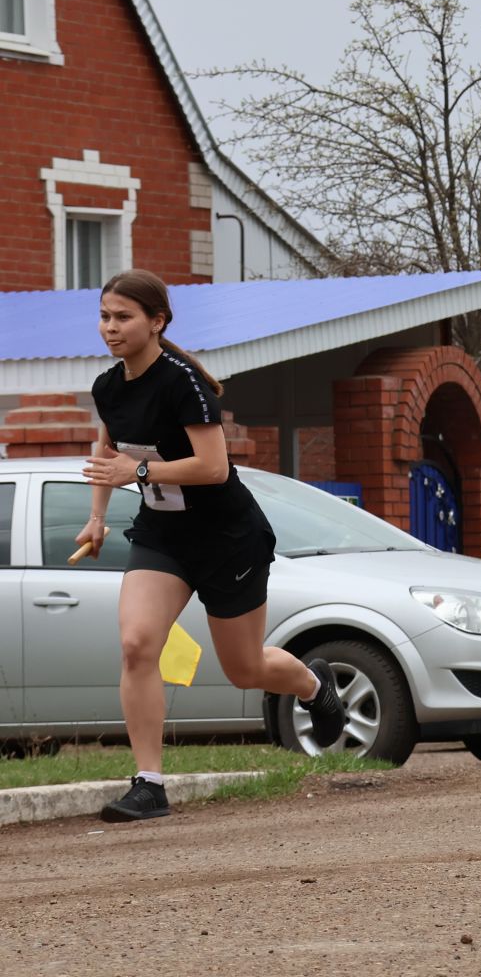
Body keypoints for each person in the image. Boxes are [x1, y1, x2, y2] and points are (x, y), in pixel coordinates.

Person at [78, 270, 345, 822]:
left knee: (244, 668)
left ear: (157, 322)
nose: (110, 327)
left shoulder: (183, 383)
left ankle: (313, 685)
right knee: (136, 644)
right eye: (105, 316)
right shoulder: (107, 387)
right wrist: (96, 516)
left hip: (228, 538)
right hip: (162, 536)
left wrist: (141, 469)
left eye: (123, 317)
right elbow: (108, 452)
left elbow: (213, 466)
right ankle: (149, 784)